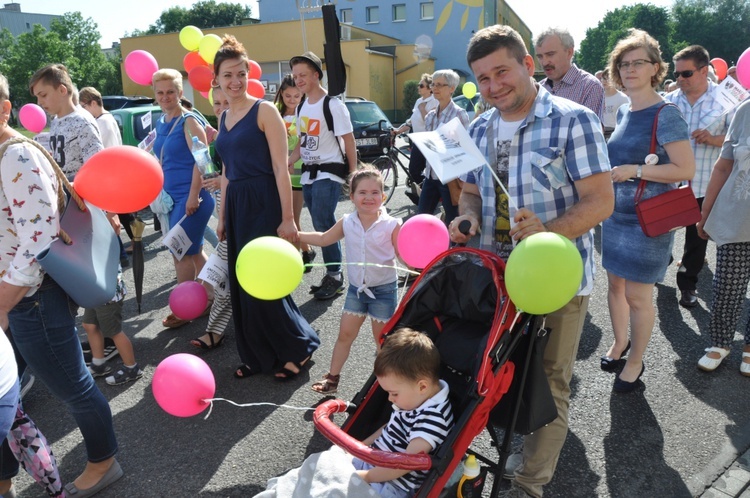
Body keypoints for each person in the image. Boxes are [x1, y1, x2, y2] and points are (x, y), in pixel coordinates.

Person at [451, 25, 613, 497]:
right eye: (482, 78)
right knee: (484, 373)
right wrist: (464, 221)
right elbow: (472, 196)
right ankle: (479, 459)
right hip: (493, 280)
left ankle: (530, 484)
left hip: (554, 282)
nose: (493, 85)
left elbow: (601, 201)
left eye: (502, 71)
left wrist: (548, 232)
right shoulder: (479, 126)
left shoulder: (573, 120)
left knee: (549, 386)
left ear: (527, 65)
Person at [0, 72, 122, 497]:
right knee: (5, 395)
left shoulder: (15, 156)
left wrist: (3, 302)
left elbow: (39, 241)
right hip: (17, 297)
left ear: (3, 108)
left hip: (31, 298)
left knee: (73, 386)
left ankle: (105, 461)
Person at [214, 35, 319, 379]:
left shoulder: (265, 110)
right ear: (217, 79)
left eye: (241, 73)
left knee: (265, 281)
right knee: (243, 282)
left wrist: (288, 218)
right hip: (238, 205)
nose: (235, 81)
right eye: (228, 75)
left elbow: (280, 168)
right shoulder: (223, 117)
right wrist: (223, 214)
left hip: (264, 200)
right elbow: (227, 171)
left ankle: (299, 347)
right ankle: (258, 355)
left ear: (249, 75)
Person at [601, 30, 695, 394]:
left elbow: (684, 170)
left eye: (638, 62)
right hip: (615, 216)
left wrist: (636, 170)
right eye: (623, 64)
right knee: (614, 286)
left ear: (656, 67)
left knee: (639, 297)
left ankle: (636, 361)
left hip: (648, 221)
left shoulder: (666, 113)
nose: (629, 69)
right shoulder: (624, 110)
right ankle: (620, 342)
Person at [298, 167, 401, 394]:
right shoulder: (347, 221)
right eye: (362, 192)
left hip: (383, 291)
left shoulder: (392, 224)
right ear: (351, 196)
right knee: (345, 335)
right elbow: (324, 239)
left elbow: (404, 255)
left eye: (375, 192)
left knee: (382, 342)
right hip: (357, 290)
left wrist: (420, 261)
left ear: (383, 196)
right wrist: (296, 235)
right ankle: (332, 378)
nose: (369, 197)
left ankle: (388, 387)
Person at [665, 45, 733, 309]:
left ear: (704, 71)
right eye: (677, 73)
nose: (680, 79)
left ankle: (688, 284)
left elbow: (738, 140)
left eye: (687, 73)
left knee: (696, 239)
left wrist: (714, 139)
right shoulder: (670, 100)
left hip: (705, 181)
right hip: (672, 182)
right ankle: (663, 262)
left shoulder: (727, 101)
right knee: (659, 231)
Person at [288, 51, 357, 301]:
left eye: (303, 75)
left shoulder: (333, 105)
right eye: (295, 76)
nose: (298, 80)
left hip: (330, 171)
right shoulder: (302, 106)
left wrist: (354, 174)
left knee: (323, 222)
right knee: (320, 223)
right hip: (308, 174)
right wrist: (291, 160)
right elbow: (303, 141)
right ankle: (333, 273)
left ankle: (336, 276)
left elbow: (348, 141)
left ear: (317, 75)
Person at [353, 328, 454, 497]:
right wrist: (361, 446)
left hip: (392, 485)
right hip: (374, 462)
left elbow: (404, 465)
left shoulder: (433, 420)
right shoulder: (414, 399)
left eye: (394, 393)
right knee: (327, 462)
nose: (390, 399)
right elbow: (390, 426)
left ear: (422, 386)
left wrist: (367, 476)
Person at [151, 68, 216, 329]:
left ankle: (184, 307)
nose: (165, 97)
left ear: (180, 92)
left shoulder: (189, 122)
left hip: (193, 199)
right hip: (173, 198)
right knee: (193, 251)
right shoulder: (161, 121)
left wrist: (192, 196)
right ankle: (211, 295)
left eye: (170, 92)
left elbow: (202, 161)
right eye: (160, 92)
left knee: (179, 254)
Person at [695, 99, 750, 375]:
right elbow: (724, 166)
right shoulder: (745, 110)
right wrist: (706, 212)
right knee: (727, 284)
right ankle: (721, 342)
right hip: (736, 215)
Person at [190, 86, 232, 351]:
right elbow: (209, 169)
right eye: (216, 103)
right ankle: (218, 330)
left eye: (225, 102)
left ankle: (215, 331)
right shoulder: (217, 137)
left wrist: (223, 219)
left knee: (224, 266)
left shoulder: (245, 132)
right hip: (223, 204)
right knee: (226, 269)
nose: (220, 107)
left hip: (240, 208)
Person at [83, 214, 141, 386]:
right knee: (89, 325)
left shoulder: (103, 229)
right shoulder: (95, 225)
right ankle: (99, 364)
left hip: (106, 291)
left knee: (113, 332)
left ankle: (132, 368)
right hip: (95, 289)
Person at [29, 64, 104, 181]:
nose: (39, 102)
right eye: (37, 97)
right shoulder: (55, 121)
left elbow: (96, 166)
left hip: (79, 195)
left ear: (62, 90)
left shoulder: (82, 122)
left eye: (43, 95)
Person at [417, 69, 470, 228]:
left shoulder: (459, 115)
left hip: (450, 177)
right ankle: (427, 251)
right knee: (421, 218)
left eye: (440, 85)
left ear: (452, 88)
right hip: (431, 175)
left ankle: (456, 252)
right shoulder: (430, 116)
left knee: (454, 221)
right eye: (433, 84)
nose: (435, 88)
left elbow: (465, 148)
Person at [274, 74, 316, 271]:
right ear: (281, 94)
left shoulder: (304, 115)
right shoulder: (273, 114)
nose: (292, 100)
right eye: (288, 96)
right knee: (281, 219)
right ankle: (306, 251)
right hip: (277, 175)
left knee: (293, 220)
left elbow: (305, 143)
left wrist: (291, 160)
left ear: (302, 96)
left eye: (296, 96)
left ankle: (297, 258)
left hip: (298, 176)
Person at [534, 28, 605, 118]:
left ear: (569, 52)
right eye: (540, 56)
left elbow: (590, 130)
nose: (544, 62)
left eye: (550, 54)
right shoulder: (538, 90)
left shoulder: (590, 86)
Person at [601, 68, 629, 140]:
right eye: (603, 78)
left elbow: (626, 119)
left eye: (608, 79)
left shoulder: (622, 98)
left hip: (615, 132)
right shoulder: (598, 97)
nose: (605, 81)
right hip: (600, 131)